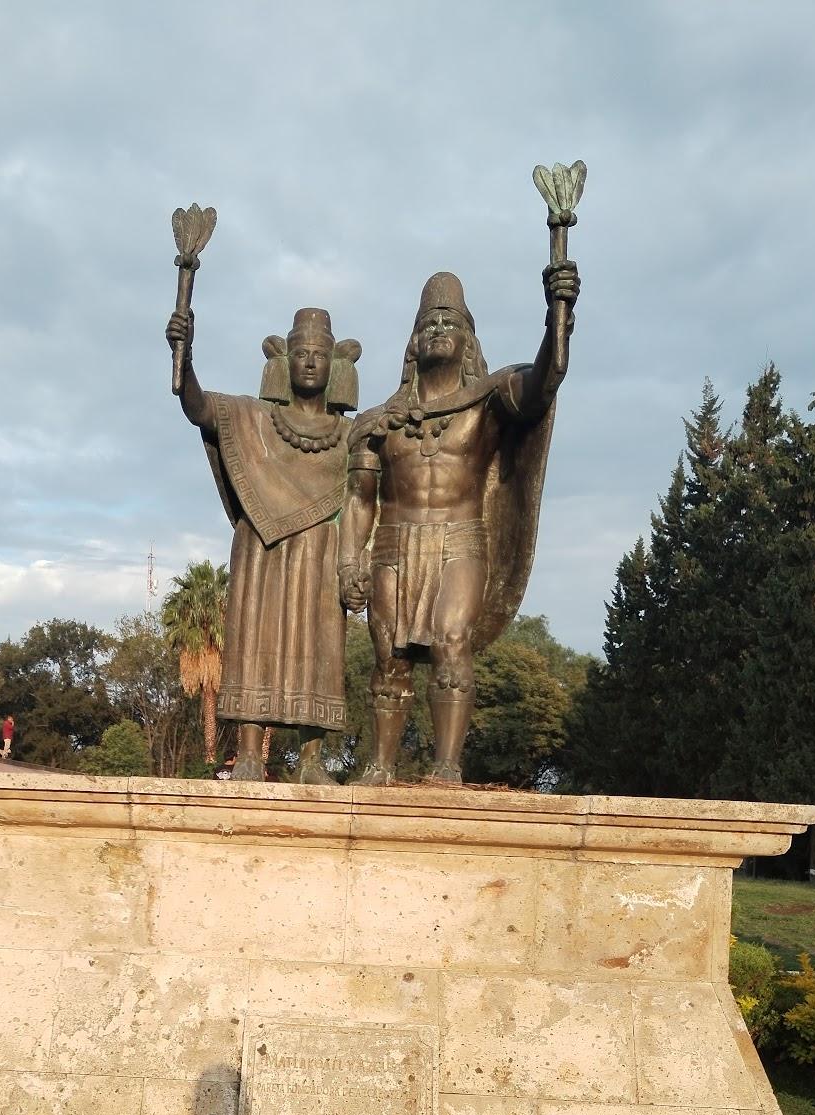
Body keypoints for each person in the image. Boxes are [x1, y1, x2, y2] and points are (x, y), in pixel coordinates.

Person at [339, 259, 579, 785]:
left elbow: (545, 382)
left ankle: (447, 765)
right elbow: (359, 498)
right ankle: (381, 766)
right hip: (393, 545)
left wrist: (557, 316)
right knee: (389, 654)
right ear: (413, 342)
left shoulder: (488, 402)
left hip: (460, 539)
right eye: (429, 324)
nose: (438, 331)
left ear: (469, 339)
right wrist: (348, 561)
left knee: (451, 640)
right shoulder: (379, 422)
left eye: (450, 322)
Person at [166, 304, 361, 782]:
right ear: (285, 361)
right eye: (301, 354)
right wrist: (183, 356)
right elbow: (197, 407)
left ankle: (312, 760)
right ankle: (250, 754)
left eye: (319, 354)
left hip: (320, 549)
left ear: (335, 365)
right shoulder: (250, 418)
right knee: (255, 636)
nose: (310, 362)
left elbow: (368, 497)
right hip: (261, 546)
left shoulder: (351, 435)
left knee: (320, 645)